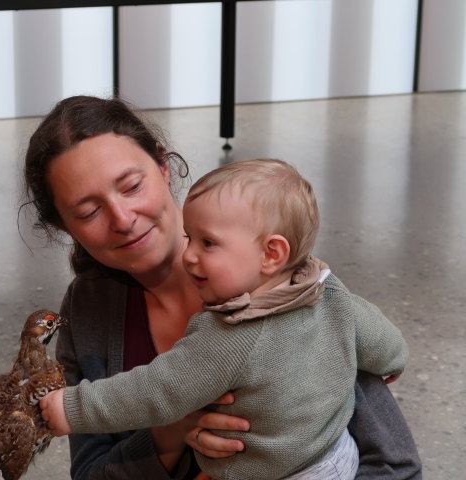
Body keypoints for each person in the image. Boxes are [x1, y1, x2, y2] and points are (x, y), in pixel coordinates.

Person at [23, 95, 422, 479]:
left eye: (131, 186)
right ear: (63, 226)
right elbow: (93, 474)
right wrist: (170, 430)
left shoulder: (291, 287)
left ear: (162, 165)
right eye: (89, 211)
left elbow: (395, 465)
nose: (123, 219)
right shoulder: (87, 309)